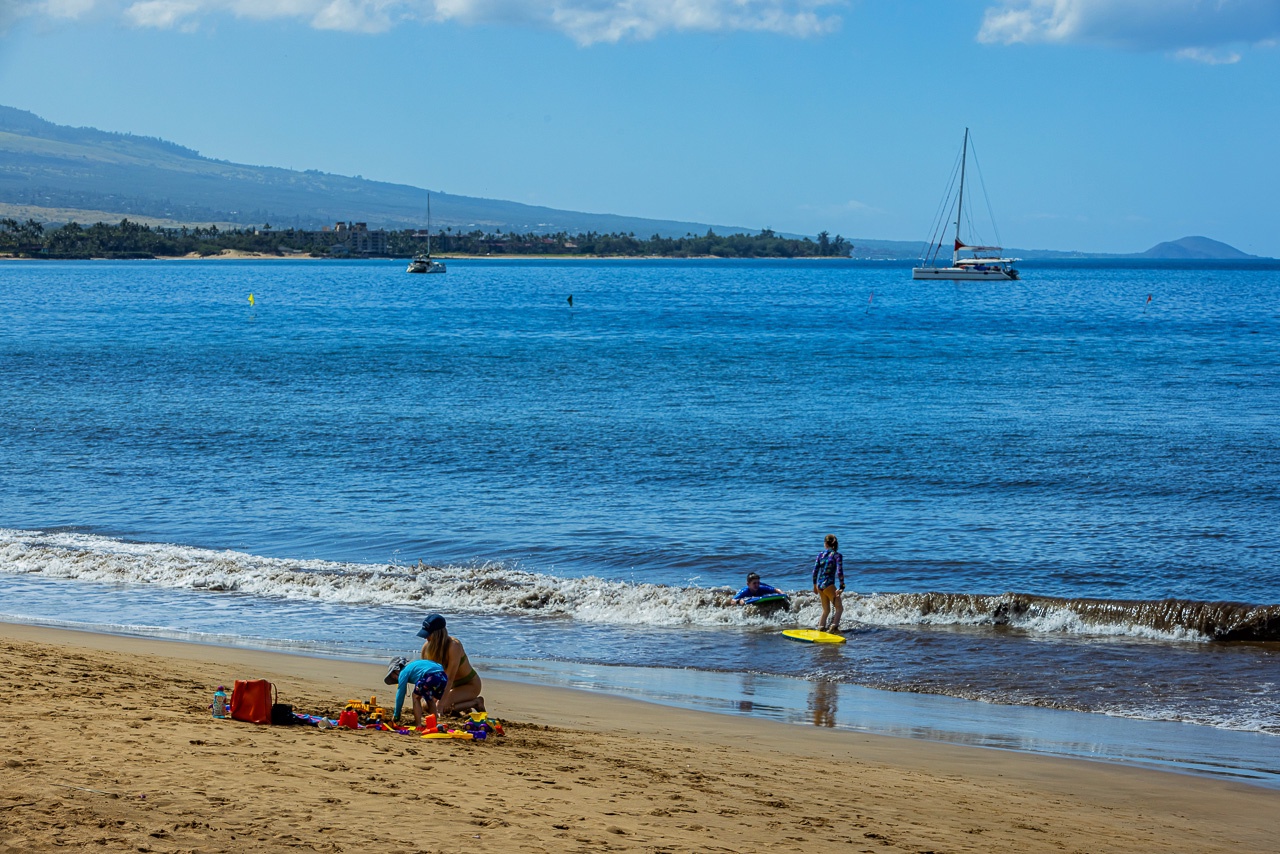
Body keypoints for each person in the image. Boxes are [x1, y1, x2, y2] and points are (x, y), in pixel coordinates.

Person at [417, 613, 485, 715]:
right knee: (426, 706)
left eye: (428, 634)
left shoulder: (454, 646)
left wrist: (440, 705)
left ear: (437, 634)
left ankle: (476, 702)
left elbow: (449, 679)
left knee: (441, 708)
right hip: (449, 687)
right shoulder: (426, 648)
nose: (426, 637)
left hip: (469, 685)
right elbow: (426, 676)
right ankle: (462, 705)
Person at [384, 655, 448, 727]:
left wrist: (396, 714)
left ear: (396, 670)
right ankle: (434, 725)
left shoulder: (403, 671)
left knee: (416, 697)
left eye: (393, 676)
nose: (395, 679)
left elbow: (400, 694)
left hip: (429, 676)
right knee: (430, 700)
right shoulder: (414, 665)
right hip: (443, 677)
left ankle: (418, 725)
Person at [812, 534, 844, 633]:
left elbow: (815, 571)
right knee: (839, 608)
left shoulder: (820, 555)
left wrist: (814, 585)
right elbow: (839, 572)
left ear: (825, 543)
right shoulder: (837, 555)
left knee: (826, 610)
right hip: (829, 584)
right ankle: (833, 627)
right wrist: (842, 586)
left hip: (820, 585)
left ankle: (821, 627)